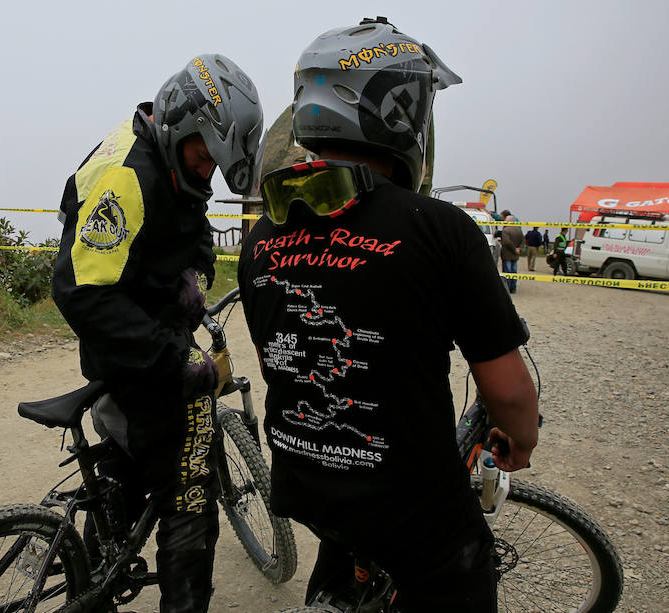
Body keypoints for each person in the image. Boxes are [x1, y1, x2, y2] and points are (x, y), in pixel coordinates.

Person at [238, 17, 538, 611]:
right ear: (403, 113)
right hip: (412, 506)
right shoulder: (441, 230)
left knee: (345, 544)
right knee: (462, 572)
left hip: (302, 481)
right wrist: (521, 442)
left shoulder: (262, 236)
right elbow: (506, 394)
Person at [51, 54, 262, 613]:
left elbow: (185, 224)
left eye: (215, 164)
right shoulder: (128, 175)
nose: (206, 171)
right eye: (203, 157)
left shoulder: (170, 158)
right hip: (129, 345)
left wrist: (194, 272)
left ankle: (93, 577)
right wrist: (172, 359)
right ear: (179, 123)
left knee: (131, 456)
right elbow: (83, 292)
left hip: (143, 332)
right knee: (190, 490)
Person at [500, 216, 525, 293]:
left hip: (507, 254)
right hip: (515, 255)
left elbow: (506, 242)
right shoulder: (519, 231)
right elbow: (523, 242)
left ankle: (507, 287)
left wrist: (514, 249)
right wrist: (519, 249)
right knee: (514, 271)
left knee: (507, 271)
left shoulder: (505, 230)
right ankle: (513, 288)